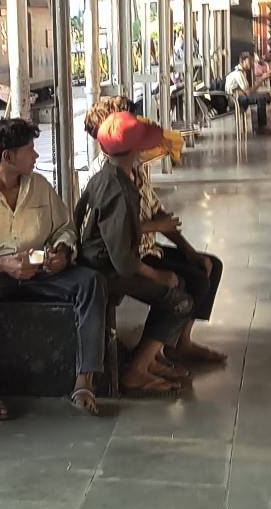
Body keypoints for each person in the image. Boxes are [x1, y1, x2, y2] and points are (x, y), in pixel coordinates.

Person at [0, 115, 106, 419]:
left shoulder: (40, 186)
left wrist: (62, 252)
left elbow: (65, 227)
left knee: (91, 282)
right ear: (8, 156)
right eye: (30, 150)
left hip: (40, 272)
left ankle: (84, 381)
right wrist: (0, 264)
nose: (35, 155)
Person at [85, 96, 226, 370]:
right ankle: (148, 357)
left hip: (145, 249)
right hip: (126, 258)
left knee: (210, 266)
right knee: (190, 283)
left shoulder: (135, 168)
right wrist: (156, 266)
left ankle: (178, 343)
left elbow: (158, 214)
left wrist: (188, 250)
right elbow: (114, 237)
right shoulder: (106, 178)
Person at [75, 112, 199, 394]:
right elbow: (123, 259)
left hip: (95, 262)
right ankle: (137, 371)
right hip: (105, 270)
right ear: (136, 150)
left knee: (175, 285)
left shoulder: (104, 177)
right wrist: (157, 275)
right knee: (179, 300)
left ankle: (149, 359)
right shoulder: (120, 191)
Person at [223, 53, 271, 132]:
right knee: (261, 99)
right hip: (234, 100)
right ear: (242, 62)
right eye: (249, 61)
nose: (252, 63)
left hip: (239, 97)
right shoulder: (238, 73)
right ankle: (261, 127)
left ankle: (263, 123)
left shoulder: (242, 72)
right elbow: (248, 92)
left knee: (266, 96)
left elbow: (248, 91)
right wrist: (261, 79)